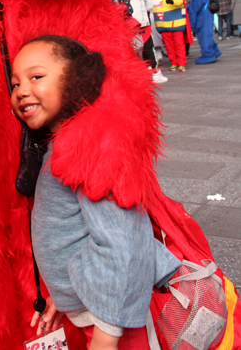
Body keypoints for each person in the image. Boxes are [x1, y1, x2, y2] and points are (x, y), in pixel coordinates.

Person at [10, 36, 180, 347]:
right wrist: (65, 295)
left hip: (117, 319)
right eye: (15, 83)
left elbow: (123, 243)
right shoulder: (66, 143)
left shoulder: (90, 146)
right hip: (98, 307)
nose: (21, 90)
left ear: (77, 78)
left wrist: (106, 334)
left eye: (36, 77)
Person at [123, 0, 168, 83]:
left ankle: (137, 75)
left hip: (129, 26)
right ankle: (155, 73)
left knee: (133, 52)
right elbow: (150, 6)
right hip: (143, 25)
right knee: (149, 50)